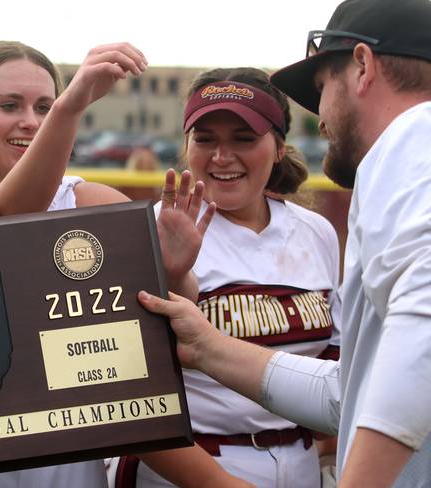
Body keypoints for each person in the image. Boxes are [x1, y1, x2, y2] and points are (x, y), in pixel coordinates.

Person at [0, 40, 214, 488]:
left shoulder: (91, 200)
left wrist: (175, 272)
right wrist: (70, 106)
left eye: (45, 106)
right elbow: (7, 230)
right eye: (10, 105)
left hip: (66, 468)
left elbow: (167, 323)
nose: (31, 120)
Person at [137, 0, 431, 486]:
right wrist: (206, 344)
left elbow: (422, 325)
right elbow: (349, 390)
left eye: (321, 88)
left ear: (362, 65)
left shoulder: (408, 142)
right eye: (204, 137)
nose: (321, 116)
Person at [122, 68, 341, 488]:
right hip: (189, 469)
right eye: (205, 139)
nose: (222, 156)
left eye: (244, 138)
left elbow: (337, 372)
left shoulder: (316, 232)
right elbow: (128, 399)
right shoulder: (153, 230)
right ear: (186, 146)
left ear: (278, 148)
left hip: (299, 464)